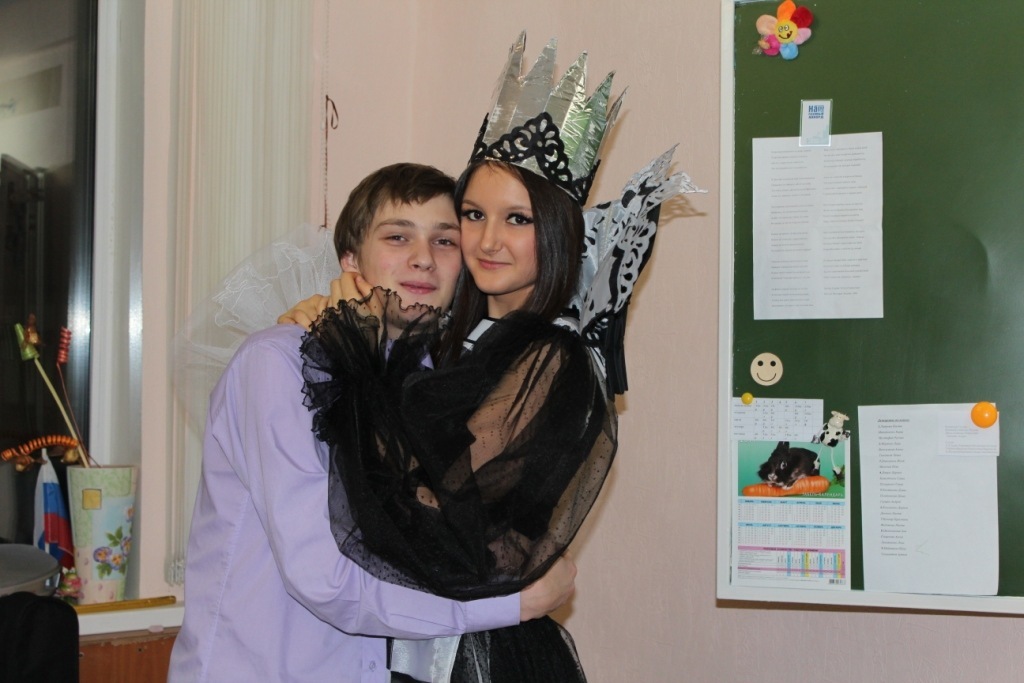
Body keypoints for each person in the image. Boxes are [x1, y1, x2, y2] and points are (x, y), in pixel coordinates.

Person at [293, 33, 699, 682]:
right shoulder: (450, 343)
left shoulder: (552, 358)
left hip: (481, 658)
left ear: (556, 232)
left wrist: (353, 358)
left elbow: (432, 515)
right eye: (474, 214)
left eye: (517, 220)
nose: (486, 240)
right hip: (416, 644)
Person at [167, 163, 578, 683]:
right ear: (349, 259)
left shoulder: (433, 387)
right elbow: (327, 579)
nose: (423, 258)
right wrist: (509, 604)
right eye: (397, 237)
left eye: (445, 241)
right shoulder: (279, 363)